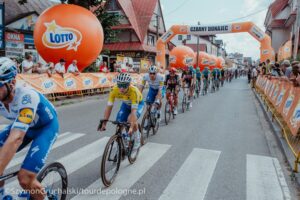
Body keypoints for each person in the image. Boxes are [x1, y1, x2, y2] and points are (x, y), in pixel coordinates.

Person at [0, 57, 59, 200]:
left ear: (12, 82)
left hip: (45, 128)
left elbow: (16, 138)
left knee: (25, 178)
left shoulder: (26, 96)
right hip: (24, 126)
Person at [99, 73, 144, 150]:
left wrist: (131, 127)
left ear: (129, 84)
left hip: (138, 104)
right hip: (126, 104)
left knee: (130, 120)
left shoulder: (134, 91)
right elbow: (109, 107)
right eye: (120, 85)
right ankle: (122, 142)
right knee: (119, 123)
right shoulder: (114, 90)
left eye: (124, 85)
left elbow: (133, 112)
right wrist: (104, 123)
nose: (121, 88)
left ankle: (137, 137)